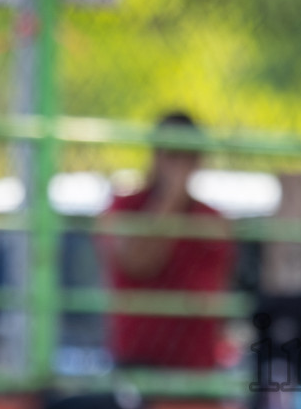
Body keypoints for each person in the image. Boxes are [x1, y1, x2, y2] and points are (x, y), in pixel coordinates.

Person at [99, 113, 236, 369]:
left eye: (189, 156)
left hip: (196, 366)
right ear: (155, 155)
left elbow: (216, 297)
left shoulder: (212, 219)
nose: (180, 166)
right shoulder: (124, 208)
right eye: (172, 155)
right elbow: (137, 263)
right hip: (137, 362)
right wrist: (171, 200)